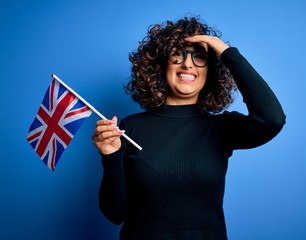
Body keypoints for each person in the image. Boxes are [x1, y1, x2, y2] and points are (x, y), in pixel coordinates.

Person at [92, 16, 286, 240]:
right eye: (177, 54)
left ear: (210, 72)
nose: (188, 64)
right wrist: (110, 156)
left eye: (199, 57)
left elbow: (272, 119)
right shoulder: (130, 127)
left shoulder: (221, 128)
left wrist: (227, 53)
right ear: (161, 65)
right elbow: (115, 214)